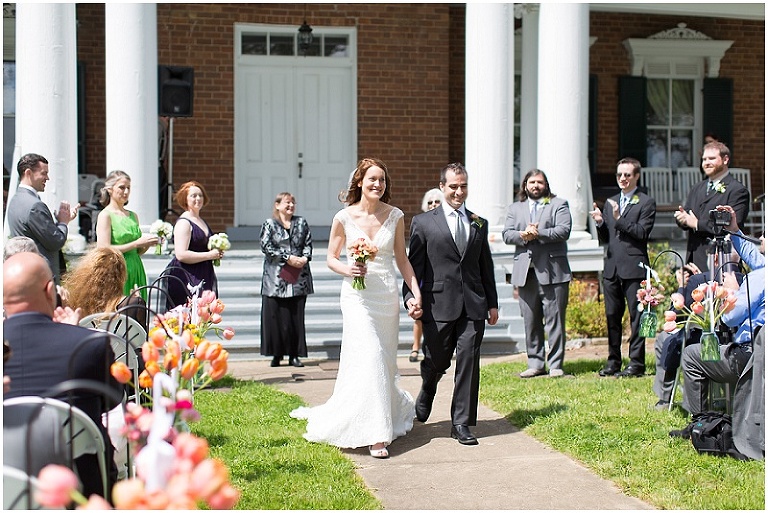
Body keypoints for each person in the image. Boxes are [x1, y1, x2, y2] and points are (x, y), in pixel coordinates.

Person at [291, 158, 422, 459]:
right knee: (371, 353)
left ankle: (379, 411)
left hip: (386, 295)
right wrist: (349, 270)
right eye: (372, 179)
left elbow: (402, 260)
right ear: (360, 182)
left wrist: (415, 292)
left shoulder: (396, 216)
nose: (378, 185)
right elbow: (331, 257)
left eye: (383, 181)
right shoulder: (344, 217)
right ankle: (378, 434)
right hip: (356, 297)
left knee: (383, 360)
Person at [3, 252, 122, 499]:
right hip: (81, 488)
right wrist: (74, 336)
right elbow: (113, 398)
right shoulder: (89, 345)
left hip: (6, 485)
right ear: (50, 291)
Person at [405, 162, 498, 446]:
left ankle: (461, 423)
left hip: (473, 304)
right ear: (442, 187)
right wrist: (410, 297)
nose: (459, 192)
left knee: (469, 360)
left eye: (463, 186)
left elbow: (486, 266)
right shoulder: (423, 222)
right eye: (454, 186)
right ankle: (428, 386)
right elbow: (414, 267)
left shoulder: (479, 222)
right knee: (438, 359)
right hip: (438, 303)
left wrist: (492, 303)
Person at [671, 205, 764, 438]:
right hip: (759, 355)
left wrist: (732, 290)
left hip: (751, 358)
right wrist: (734, 229)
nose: (760, 238)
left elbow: (732, 317)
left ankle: (701, 424)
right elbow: (755, 258)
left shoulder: (759, 278)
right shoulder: (763, 271)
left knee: (692, 355)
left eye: (765, 235)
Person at [589, 158, 656, 378]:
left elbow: (641, 233)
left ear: (636, 176)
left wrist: (618, 218)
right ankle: (613, 361)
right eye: (619, 175)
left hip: (634, 267)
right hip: (612, 267)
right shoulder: (610, 201)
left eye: (627, 175)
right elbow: (609, 237)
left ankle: (636, 363)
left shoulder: (645, 202)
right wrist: (600, 222)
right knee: (612, 316)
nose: (623, 179)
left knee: (637, 318)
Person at [502, 169, 571, 379]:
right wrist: (523, 235)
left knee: (555, 319)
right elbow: (507, 234)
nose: (535, 186)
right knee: (530, 320)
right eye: (531, 182)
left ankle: (556, 365)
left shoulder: (558, 204)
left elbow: (564, 230)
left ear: (546, 185)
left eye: (539, 182)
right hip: (526, 272)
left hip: (553, 271)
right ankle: (535, 363)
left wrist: (538, 233)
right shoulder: (515, 208)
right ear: (525, 185)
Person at [674, 141, 750, 272]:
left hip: (721, 261)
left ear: (725, 159)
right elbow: (687, 214)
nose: (706, 162)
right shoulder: (697, 187)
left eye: (711, 158)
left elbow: (732, 226)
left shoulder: (737, 190)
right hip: (694, 259)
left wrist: (697, 224)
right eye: (704, 159)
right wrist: (682, 218)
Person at [259, 192, 314, 368]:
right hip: (275, 279)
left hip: (298, 277)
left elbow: (308, 243)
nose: (290, 206)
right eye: (286, 203)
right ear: (277, 205)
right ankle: (276, 355)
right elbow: (266, 246)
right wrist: (287, 257)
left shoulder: (301, 222)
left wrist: (305, 258)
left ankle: (294, 355)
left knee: (295, 317)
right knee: (275, 318)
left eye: (292, 203)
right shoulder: (269, 224)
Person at [5, 153, 78, 284]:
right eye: (44, 173)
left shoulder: (15, 200)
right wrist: (63, 222)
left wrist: (59, 223)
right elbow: (55, 241)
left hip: (24, 274)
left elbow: (39, 235)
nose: (47, 178)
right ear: (28, 173)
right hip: (41, 279)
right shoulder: (35, 205)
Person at [96, 170, 158, 302]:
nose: (126, 192)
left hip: (136, 267)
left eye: (128, 188)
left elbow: (137, 251)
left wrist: (147, 243)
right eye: (122, 187)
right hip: (116, 269)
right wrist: (136, 243)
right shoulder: (105, 215)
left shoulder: (133, 216)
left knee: (138, 310)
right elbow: (103, 248)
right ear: (110, 189)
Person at [163, 181, 222, 309]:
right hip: (187, 276)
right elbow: (181, 254)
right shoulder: (184, 223)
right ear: (185, 199)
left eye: (200, 195)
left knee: (201, 317)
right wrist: (209, 255)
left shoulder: (201, 221)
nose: (198, 199)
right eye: (193, 196)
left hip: (203, 272)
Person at [62, 246, 147, 328]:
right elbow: (142, 338)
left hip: (87, 342)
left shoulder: (75, 303)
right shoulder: (132, 304)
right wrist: (137, 304)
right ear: (121, 275)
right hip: (121, 343)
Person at [409, 187, 443, 363]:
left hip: (440, 277)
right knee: (419, 314)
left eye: (437, 201)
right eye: (430, 202)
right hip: (423, 276)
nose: (433, 205)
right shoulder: (421, 223)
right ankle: (415, 347)